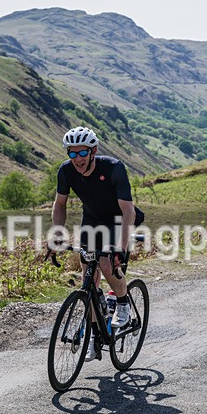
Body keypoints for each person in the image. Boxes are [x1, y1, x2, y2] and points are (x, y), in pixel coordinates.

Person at [51, 126, 141, 361]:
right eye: (72, 153)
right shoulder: (66, 171)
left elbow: (128, 209)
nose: (78, 159)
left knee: (107, 263)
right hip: (92, 220)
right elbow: (59, 205)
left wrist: (121, 247)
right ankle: (94, 336)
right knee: (87, 277)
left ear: (94, 151)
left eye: (83, 153)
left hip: (118, 219)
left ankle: (122, 304)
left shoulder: (113, 168)